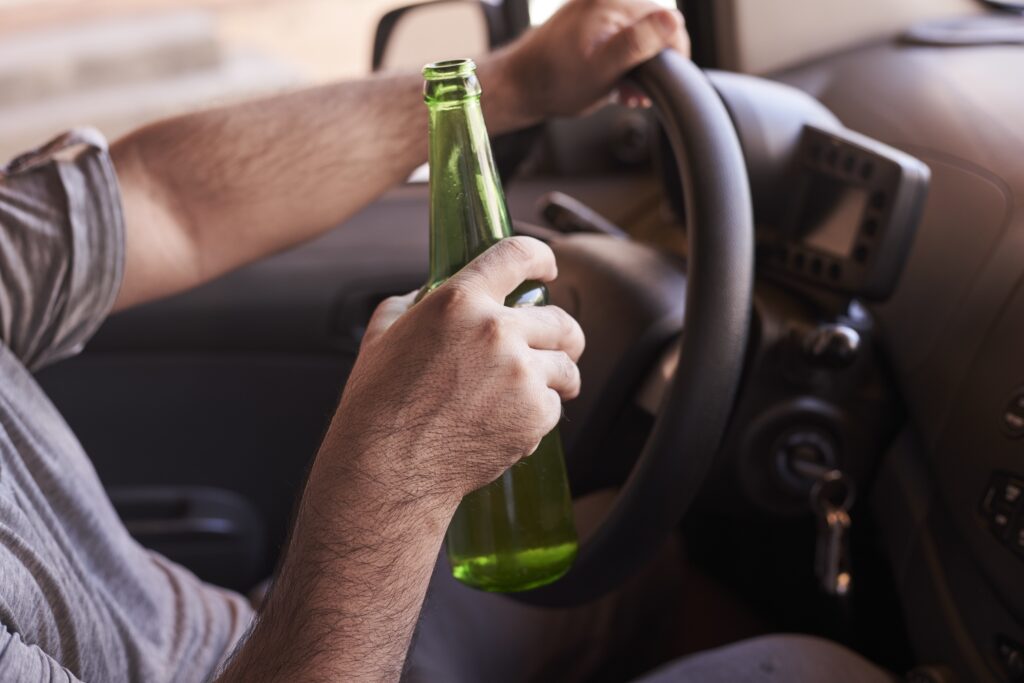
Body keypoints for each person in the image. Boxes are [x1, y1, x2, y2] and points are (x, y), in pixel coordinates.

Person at [0, 0, 898, 680]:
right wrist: (399, 470)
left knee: (641, 568)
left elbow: (165, 200)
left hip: (255, 634)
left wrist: (515, 83)